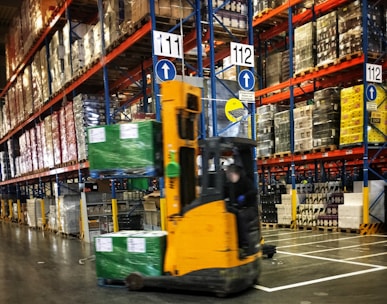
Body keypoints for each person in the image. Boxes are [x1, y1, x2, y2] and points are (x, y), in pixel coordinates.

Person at [224, 164, 258, 258]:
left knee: (240, 217)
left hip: (249, 208)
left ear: (236, 174)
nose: (230, 177)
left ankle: (244, 245)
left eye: (231, 175)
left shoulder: (245, 181)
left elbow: (254, 191)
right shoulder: (230, 184)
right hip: (238, 208)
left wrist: (245, 196)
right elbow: (224, 192)